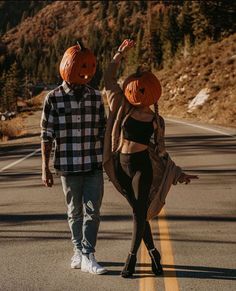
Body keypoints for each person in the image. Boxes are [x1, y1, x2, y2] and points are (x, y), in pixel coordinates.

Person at [103, 39, 198, 278]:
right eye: (135, 87)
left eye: (143, 88)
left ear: (154, 92)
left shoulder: (157, 122)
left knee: (138, 213)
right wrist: (119, 54)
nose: (138, 91)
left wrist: (178, 174)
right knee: (139, 213)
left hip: (141, 168)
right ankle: (154, 253)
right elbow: (108, 81)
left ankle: (131, 259)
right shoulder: (123, 106)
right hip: (122, 167)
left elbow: (162, 154)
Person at [40, 43, 107, 275]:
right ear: (68, 66)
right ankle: (78, 250)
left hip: (93, 164)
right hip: (67, 166)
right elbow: (46, 135)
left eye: (90, 65)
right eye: (81, 65)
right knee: (74, 212)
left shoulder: (96, 98)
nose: (87, 70)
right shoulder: (53, 99)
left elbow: (104, 132)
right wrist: (45, 169)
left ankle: (89, 254)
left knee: (93, 211)